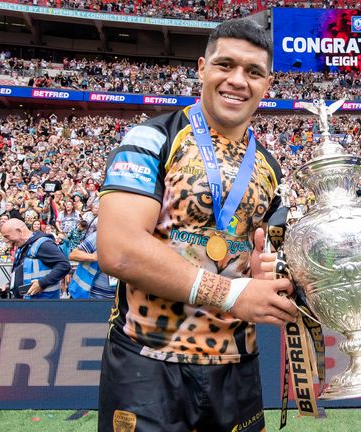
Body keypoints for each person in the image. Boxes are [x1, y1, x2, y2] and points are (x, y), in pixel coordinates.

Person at [96, 19, 297, 432]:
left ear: (267, 84)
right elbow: (118, 249)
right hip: (148, 361)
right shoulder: (153, 137)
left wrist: (265, 270)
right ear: (202, 68)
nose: (238, 80)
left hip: (237, 367)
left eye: (253, 71)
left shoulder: (270, 167)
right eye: (226, 65)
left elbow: (264, 257)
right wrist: (230, 293)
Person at [0, 218, 70, 299]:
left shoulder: (44, 245)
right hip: (30, 303)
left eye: (7, 237)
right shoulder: (23, 246)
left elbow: (64, 265)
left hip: (43, 304)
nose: (6, 241)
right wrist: (11, 285)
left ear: (19, 231)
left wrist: (41, 283)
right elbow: (24, 271)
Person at [67, 231, 113, 299]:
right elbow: (73, 255)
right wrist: (97, 257)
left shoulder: (130, 241)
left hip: (113, 302)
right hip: (85, 297)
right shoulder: (100, 236)